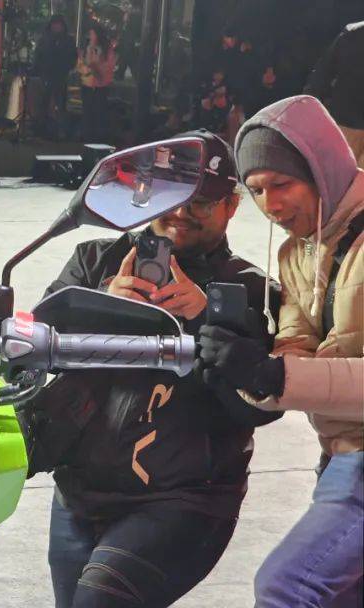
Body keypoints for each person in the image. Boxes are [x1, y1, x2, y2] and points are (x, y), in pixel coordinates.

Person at [28, 131, 283, 608]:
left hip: (183, 502)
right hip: (78, 493)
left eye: (201, 202)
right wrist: (101, 305)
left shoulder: (253, 289)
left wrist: (207, 320)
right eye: (173, 196)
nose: (182, 212)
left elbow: (261, 406)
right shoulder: (93, 260)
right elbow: (31, 356)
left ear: (231, 206)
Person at [200, 95, 364, 607]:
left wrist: (276, 376)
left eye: (282, 184)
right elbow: (294, 351)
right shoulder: (297, 253)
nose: (269, 204)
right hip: (341, 453)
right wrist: (247, 370)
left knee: (287, 587)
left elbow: (291, 375)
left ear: (322, 169)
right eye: (256, 190)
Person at [304, 21, 364, 166]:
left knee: (338, 172)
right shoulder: (353, 32)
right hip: (347, 120)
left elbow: (323, 72)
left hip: (346, 119)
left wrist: (311, 104)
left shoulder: (352, 32)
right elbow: (323, 72)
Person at [32, 14, 74, 138]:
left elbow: (72, 57)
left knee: (61, 104)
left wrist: (66, 68)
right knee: (44, 103)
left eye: (58, 25)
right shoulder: (45, 40)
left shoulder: (68, 40)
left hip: (60, 75)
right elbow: (38, 56)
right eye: (54, 24)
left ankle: (61, 130)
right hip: (47, 75)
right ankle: (41, 128)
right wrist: (39, 70)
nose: (56, 27)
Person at [77, 23, 115, 142]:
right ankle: (87, 136)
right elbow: (80, 65)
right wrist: (89, 69)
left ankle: (99, 137)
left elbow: (109, 66)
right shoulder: (87, 48)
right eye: (90, 34)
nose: (91, 36)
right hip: (87, 84)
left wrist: (97, 69)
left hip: (101, 85)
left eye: (93, 34)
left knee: (99, 112)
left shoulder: (107, 50)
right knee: (87, 111)